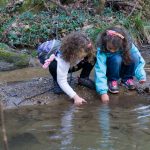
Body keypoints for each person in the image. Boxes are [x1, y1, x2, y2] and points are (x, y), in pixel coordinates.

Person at [37, 32, 96, 106]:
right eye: (81, 56)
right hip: (58, 66)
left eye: (84, 55)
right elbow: (62, 81)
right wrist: (76, 97)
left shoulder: (84, 50)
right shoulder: (62, 59)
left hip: (72, 64)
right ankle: (56, 80)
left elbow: (88, 55)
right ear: (73, 51)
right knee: (55, 68)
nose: (83, 58)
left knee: (92, 57)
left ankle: (83, 78)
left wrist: (84, 57)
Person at [95, 26, 146, 103]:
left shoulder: (128, 44)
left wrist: (141, 75)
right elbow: (100, 69)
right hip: (110, 70)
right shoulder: (102, 48)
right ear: (105, 43)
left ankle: (127, 79)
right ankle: (112, 81)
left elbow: (140, 60)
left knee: (134, 56)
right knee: (116, 58)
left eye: (115, 48)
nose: (112, 51)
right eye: (110, 48)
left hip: (122, 68)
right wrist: (103, 92)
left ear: (121, 43)